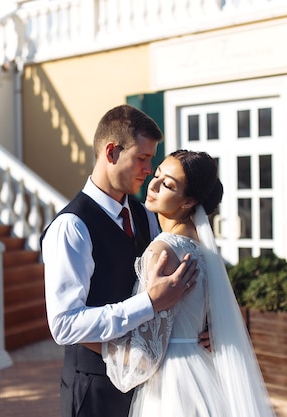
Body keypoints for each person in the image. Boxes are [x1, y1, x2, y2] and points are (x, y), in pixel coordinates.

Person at [41, 105, 203, 417]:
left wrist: (202, 327)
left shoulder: (144, 215)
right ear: (112, 152)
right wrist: (149, 303)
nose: (149, 169)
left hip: (147, 386)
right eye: (143, 158)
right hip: (94, 391)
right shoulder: (71, 227)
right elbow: (64, 325)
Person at [96, 150, 277, 417]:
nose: (153, 185)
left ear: (189, 200)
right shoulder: (204, 250)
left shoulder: (162, 251)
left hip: (172, 382)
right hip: (203, 370)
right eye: (156, 175)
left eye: (168, 184)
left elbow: (145, 351)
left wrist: (88, 340)